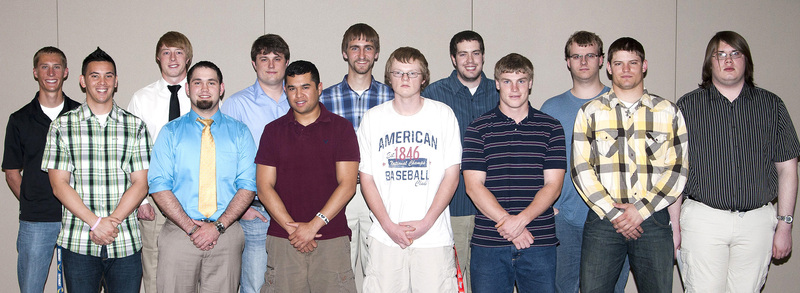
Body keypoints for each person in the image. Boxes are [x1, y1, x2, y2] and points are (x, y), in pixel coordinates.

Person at [677, 31, 800, 293]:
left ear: (747, 60)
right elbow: (675, 173)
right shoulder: (687, 107)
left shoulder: (772, 105)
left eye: (735, 53)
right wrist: (673, 228)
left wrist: (785, 226)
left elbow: (788, 170)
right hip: (703, 221)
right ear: (710, 63)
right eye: (719, 54)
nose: (728, 60)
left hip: (756, 223)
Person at [572, 37, 687, 293]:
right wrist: (615, 214)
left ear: (644, 65)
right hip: (603, 220)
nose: (626, 69)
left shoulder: (668, 112)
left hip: (654, 220)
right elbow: (581, 169)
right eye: (619, 63)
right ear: (609, 68)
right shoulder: (590, 112)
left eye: (633, 62)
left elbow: (677, 169)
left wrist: (640, 211)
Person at [42, 47, 151, 292]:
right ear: (82, 81)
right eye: (94, 76)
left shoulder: (135, 126)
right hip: (79, 242)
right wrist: (95, 223)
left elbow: (141, 183)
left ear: (116, 81)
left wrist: (111, 223)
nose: (102, 82)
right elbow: (59, 185)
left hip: (124, 241)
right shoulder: (62, 126)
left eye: (109, 75)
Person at [358, 47, 461, 292]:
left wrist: (426, 223)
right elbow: (367, 178)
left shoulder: (443, 115)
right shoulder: (373, 119)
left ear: (424, 78)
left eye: (412, 73)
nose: (405, 79)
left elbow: (452, 175)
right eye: (399, 72)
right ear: (389, 77)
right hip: (385, 237)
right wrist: (388, 226)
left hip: (433, 237)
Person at [148, 61, 256, 292]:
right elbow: (158, 185)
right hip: (179, 234)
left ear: (221, 88)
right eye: (197, 82)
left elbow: (248, 185)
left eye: (211, 82)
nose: (204, 88)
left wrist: (218, 226)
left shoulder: (240, 132)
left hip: (226, 235)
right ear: (188, 88)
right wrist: (190, 227)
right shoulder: (170, 133)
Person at [462, 53, 565, 293]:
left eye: (521, 80)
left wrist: (520, 221)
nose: (515, 88)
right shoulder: (478, 128)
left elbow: (553, 186)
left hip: (539, 241)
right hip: (489, 243)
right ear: (497, 84)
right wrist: (508, 224)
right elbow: (473, 186)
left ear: (530, 83)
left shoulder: (551, 128)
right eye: (507, 81)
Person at [257, 60, 359, 292]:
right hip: (284, 239)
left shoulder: (341, 128)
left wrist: (313, 225)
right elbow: (264, 187)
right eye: (292, 88)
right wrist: (295, 230)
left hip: (330, 237)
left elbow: (348, 185)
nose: (298, 94)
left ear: (319, 87)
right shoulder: (272, 131)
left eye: (305, 87)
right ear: (285, 91)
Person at [539, 31, 629, 293]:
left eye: (590, 55)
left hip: (612, 218)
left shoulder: (621, 104)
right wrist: (550, 209)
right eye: (576, 56)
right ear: (568, 62)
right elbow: (538, 162)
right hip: (564, 219)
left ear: (602, 60)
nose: (583, 61)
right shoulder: (552, 108)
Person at [421, 31, 499, 291]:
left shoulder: (501, 90)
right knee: (449, 280)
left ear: (483, 56)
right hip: (451, 206)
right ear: (453, 58)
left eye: (475, 53)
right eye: (463, 54)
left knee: (489, 281)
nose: (470, 60)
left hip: (494, 207)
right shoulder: (434, 93)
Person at [3, 46, 81, 293]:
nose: (51, 72)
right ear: (35, 72)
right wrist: (32, 199)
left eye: (56, 66)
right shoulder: (19, 119)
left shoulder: (81, 115)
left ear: (66, 72)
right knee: (31, 288)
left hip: (78, 218)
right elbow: (12, 172)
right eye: (44, 67)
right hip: (36, 221)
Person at [319, 23, 393, 281]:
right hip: (339, 192)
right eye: (355, 48)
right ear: (344, 53)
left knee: (379, 268)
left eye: (368, 48)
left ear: (376, 54)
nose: (361, 54)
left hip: (381, 193)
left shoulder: (392, 97)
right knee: (340, 267)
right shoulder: (324, 100)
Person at [219, 33, 290, 293]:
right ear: (254, 63)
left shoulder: (300, 103)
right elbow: (222, 162)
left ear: (286, 63)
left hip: (294, 211)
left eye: (277, 58)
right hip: (255, 212)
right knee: (254, 285)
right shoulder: (235, 105)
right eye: (264, 58)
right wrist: (242, 208)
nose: (270, 64)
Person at [127, 31, 193, 293]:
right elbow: (133, 152)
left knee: (191, 261)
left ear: (187, 57)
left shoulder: (201, 92)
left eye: (178, 52)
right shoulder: (141, 98)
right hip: (153, 193)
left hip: (193, 193)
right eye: (166, 52)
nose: (172, 58)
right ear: (158, 57)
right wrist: (140, 200)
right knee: (153, 261)